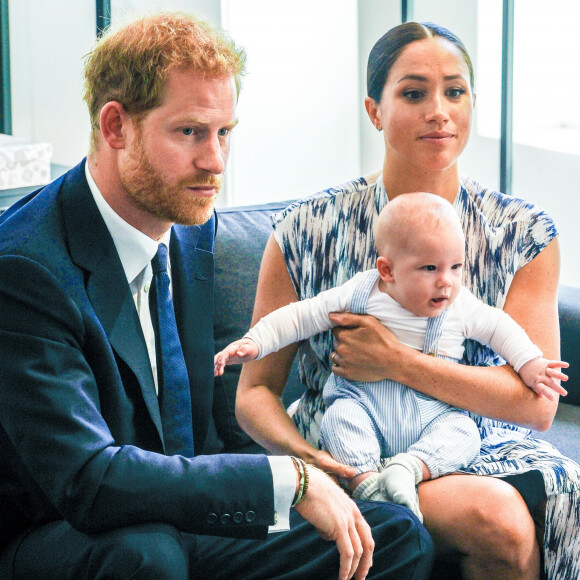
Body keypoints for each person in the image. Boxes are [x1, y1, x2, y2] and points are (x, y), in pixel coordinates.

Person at [0, 13, 435, 580]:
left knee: (392, 537)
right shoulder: (25, 270)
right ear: (115, 126)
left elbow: (191, 436)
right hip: (58, 531)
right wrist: (289, 479)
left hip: (173, 514)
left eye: (224, 132)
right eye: (190, 132)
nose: (215, 162)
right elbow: (87, 480)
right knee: (148, 557)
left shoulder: (186, 224)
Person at [235, 21, 580, 579]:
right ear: (374, 110)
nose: (439, 110)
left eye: (455, 91)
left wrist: (397, 362)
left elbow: (536, 405)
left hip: (477, 438)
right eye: (414, 92)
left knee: (548, 501)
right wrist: (308, 461)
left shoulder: (522, 232)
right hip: (350, 441)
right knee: (501, 521)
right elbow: (254, 393)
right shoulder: (305, 228)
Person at [215, 193, 568, 522]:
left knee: (462, 431)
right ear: (387, 270)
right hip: (364, 403)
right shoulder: (363, 292)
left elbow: (501, 329)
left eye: (456, 267)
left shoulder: (460, 306)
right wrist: (255, 342)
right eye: (429, 269)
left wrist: (532, 365)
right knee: (339, 420)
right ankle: (366, 482)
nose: (446, 282)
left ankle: (409, 467)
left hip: (432, 411)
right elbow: (301, 315)